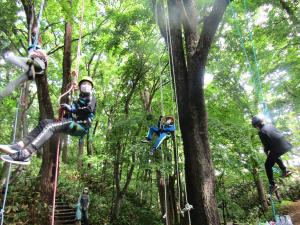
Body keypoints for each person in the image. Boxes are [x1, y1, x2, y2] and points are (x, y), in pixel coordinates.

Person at [0, 76, 96, 162]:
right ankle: (19, 145)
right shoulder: (76, 101)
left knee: (50, 127)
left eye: (88, 84)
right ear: (80, 87)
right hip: (71, 123)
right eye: (83, 84)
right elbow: (70, 115)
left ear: (91, 87)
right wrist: (65, 111)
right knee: (45, 123)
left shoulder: (92, 98)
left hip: (81, 126)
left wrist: (71, 109)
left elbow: (88, 110)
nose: (85, 85)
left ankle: (26, 153)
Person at [252, 115, 292, 193]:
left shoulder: (261, 132)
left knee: (267, 165)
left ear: (256, 125)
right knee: (274, 155)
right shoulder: (270, 125)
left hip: (277, 147)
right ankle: (285, 170)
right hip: (285, 144)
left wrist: (265, 151)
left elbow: (266, 145)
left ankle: (272, 185)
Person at [0, 35, 48, 101]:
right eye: (29, 50)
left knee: (24, 60)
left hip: (38, 66)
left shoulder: (40, 51)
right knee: (14, 82)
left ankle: (9, 56)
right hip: (31, 71)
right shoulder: (31, 54)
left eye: (31, 50)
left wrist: (37, 54)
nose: (30, 51)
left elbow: (44, 57)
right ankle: (2, 95)